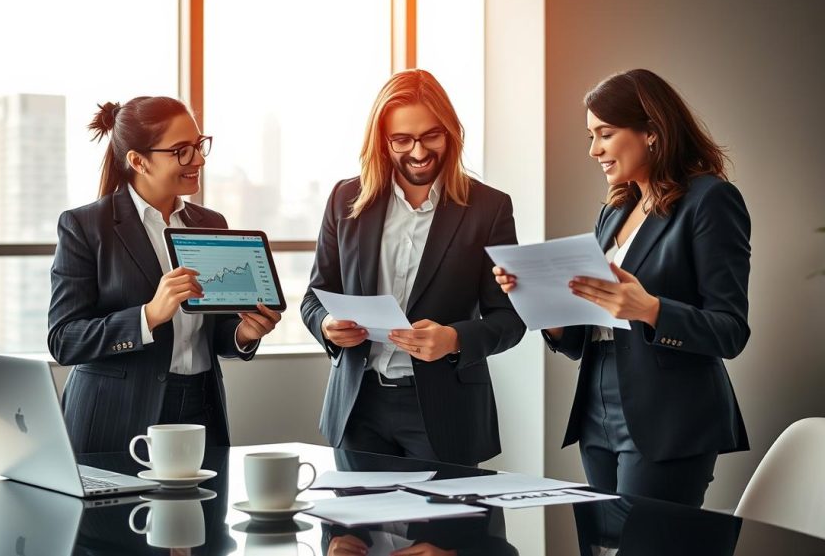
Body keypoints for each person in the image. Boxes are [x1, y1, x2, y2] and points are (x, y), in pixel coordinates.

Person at [494, 69, 751, 507]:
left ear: (651, 132)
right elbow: (583, 337)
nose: (594, 150)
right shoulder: (615, 211)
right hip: (597, 404)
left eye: (605, 134)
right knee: (601, 541)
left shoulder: (711, 201)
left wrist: (650, 309)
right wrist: (539, 301)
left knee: (648, 543)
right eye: (591, 135)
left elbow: (730, 331)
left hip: (669, 416)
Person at [301, 69, 525, 467]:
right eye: (402, 139)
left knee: (446, 531)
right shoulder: (345, 199)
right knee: (356, 529)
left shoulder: (489, 209)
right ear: (382, 142)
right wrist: (327, 326)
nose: (418, 152)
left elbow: (510, 319)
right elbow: (313, 298)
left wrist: (453, 339)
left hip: (444, 411)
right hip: (358, 406)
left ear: (450, 133)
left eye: (430, 136)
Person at [48, 96, 281, 453]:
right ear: (139, 161)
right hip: (115, 413)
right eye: (182, 151)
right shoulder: (86, 226)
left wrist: (243, 333)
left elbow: (215, 329)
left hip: (201, 405)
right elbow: (64, 340)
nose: (199, 159)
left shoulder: (210, 223)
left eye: (200, 145)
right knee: (113, 511)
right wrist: (149, 315)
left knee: (204, 509)